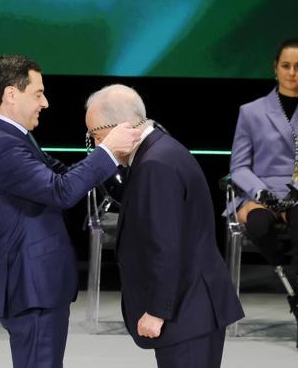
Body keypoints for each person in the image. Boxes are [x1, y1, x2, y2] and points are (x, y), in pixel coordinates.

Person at [0, 54, 141, 368]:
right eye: (38, 93)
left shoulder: (14, 137)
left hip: (39, 284)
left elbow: (62, 176)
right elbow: (60, 191)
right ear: (11, 94)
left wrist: (111, 158)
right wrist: (107, 149)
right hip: (32, 287)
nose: (45, 102)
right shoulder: (2, 144)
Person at [85, 84, 244, 368]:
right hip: (191, 310)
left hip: (187, 313)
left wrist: (157, 312)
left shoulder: (154, 164)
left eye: (97, 137)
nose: (98, 147)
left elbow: (165, 245)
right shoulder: (158, 151)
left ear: (123, 127)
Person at [228, 38, 298, 350]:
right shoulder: (251, 112)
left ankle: (297, 295)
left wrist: (296, 192)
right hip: (258, 193)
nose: (291, 73)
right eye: (286, 66)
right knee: (259, 224)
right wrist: (261, 192)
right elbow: (239, 166)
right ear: (275, 69)